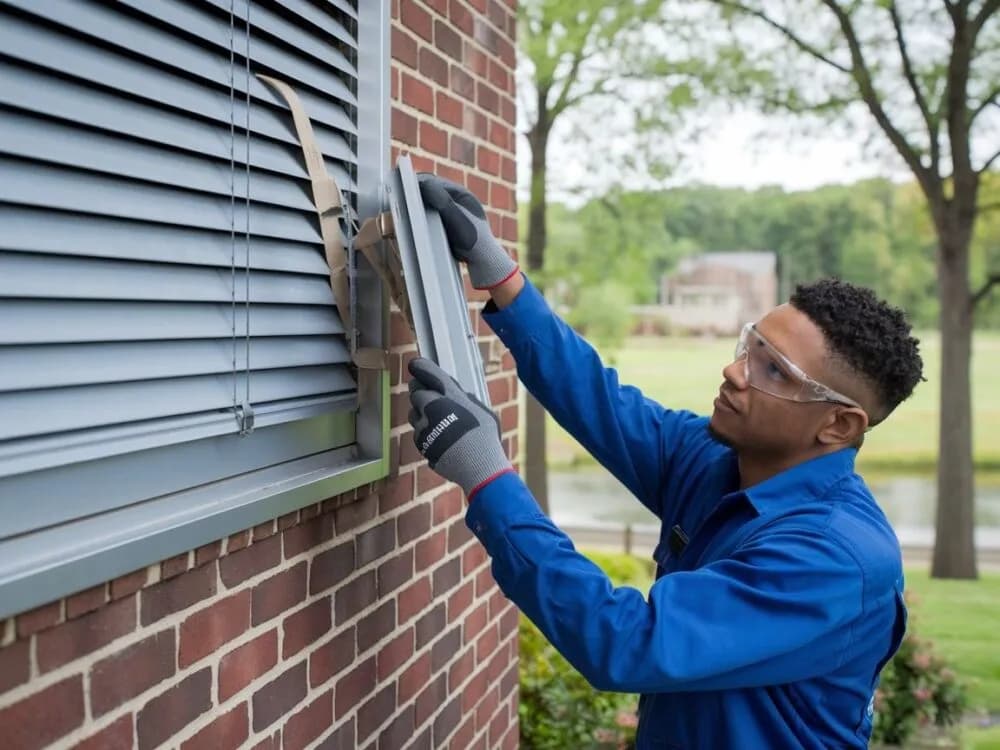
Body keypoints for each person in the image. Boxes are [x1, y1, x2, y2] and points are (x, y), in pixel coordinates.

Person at [407, 174, 924, 749]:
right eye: (749, 348)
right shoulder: (717, 459)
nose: (735, 372)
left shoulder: (834, 559)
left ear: (838, 424)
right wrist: (502, 279)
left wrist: (486, 476)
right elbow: (602, 403)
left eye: (773, 370)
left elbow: (628, 645)